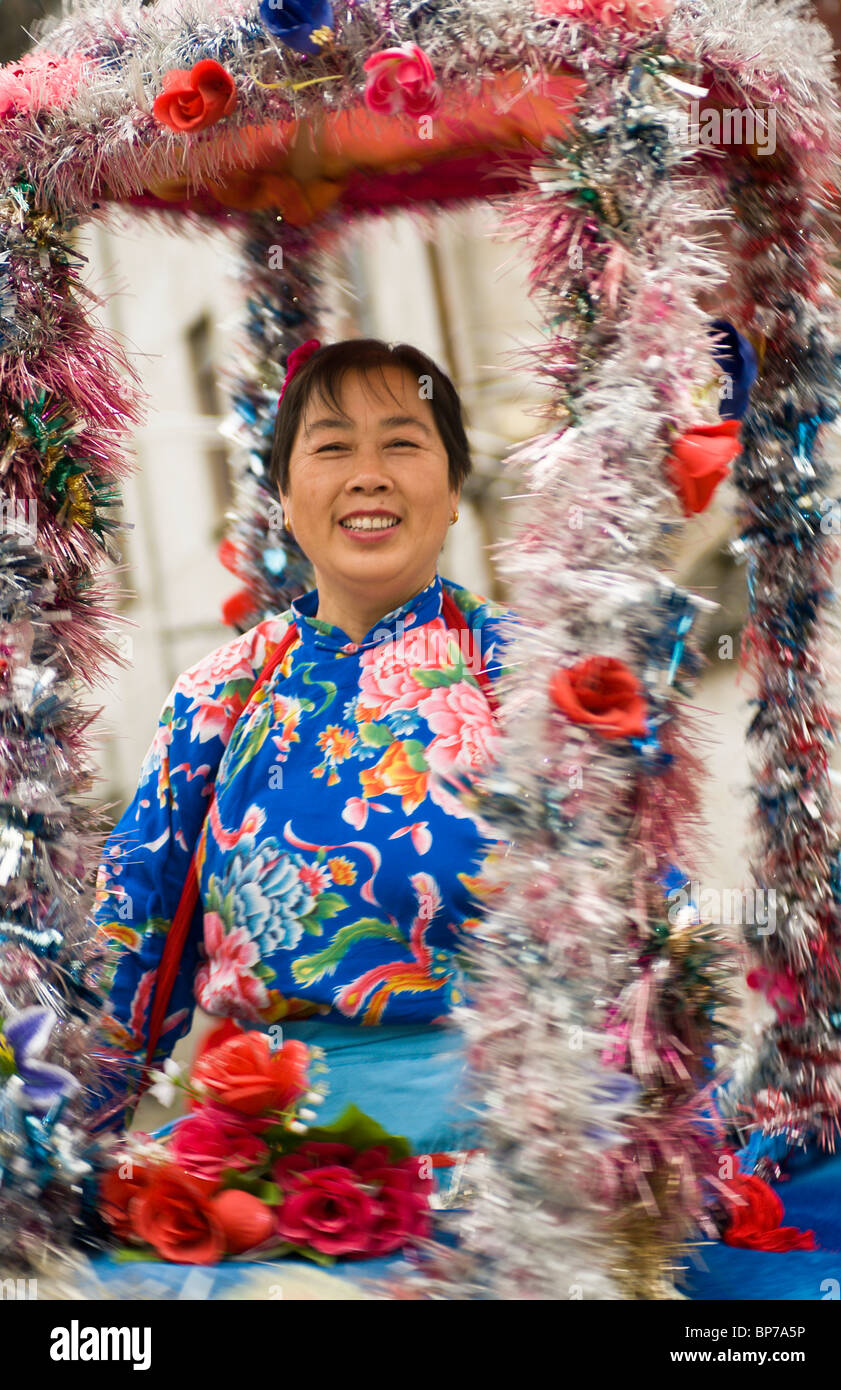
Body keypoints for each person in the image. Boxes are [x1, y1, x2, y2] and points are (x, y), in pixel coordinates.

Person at [86, 337, 517, 1162]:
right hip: (267, 1171)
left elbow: (643, 944)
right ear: (283, 497)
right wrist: (51, 1175)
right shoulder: (217, 698)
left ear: (455, 486)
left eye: (401, 441)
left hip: (510, 1169)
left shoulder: (534, 677)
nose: (368, 474)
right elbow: (130, 959)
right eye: (330, 448)